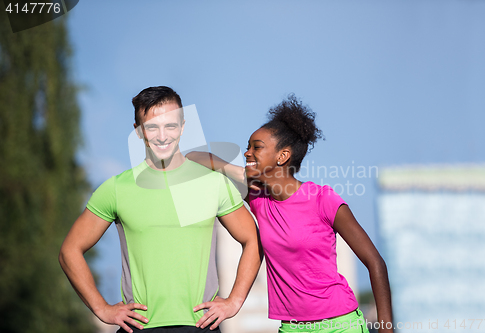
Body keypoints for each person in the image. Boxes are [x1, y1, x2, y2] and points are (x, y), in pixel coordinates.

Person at [59, 86, 261, 333]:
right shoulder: (116, 188)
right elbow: (70, 250)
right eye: (152, 126)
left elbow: (252, 239)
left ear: (183, 126)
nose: (162, 136)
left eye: (170, 126)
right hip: (140, 327)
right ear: (138, 130)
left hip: (200, 326)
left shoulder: (213, 183)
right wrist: (102, 309)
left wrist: (235, 301)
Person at [186, 95, 393, 333]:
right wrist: (235, 170)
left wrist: (386, 329)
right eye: (247, 147)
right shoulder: (258, 198)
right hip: (291, 328)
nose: (247, 153)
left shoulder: (322, 199)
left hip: (341, 324)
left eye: (257, 147)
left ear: (282, 156)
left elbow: (375, 262)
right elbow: (194, 157)